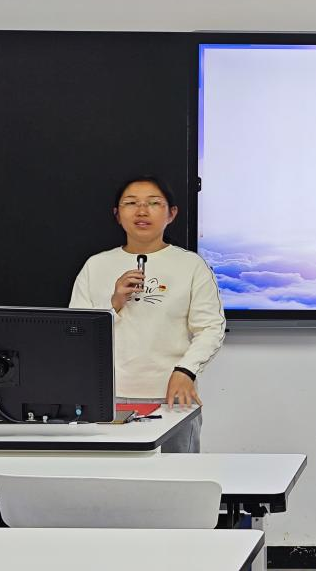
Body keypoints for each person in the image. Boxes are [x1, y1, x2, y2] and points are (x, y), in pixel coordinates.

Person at [70, 176, 224, 453]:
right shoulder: (96, 265)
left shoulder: (191, 265)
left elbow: (210, 328)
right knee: (109, 477)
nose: (142, 211)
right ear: (117, 214)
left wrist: (186, 371)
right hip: (107, 398)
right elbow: (75, 332)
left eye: (153, 203)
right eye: (131, 203)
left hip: (172, 397)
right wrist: (114, 303)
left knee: (176, 475)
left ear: (171, 213)